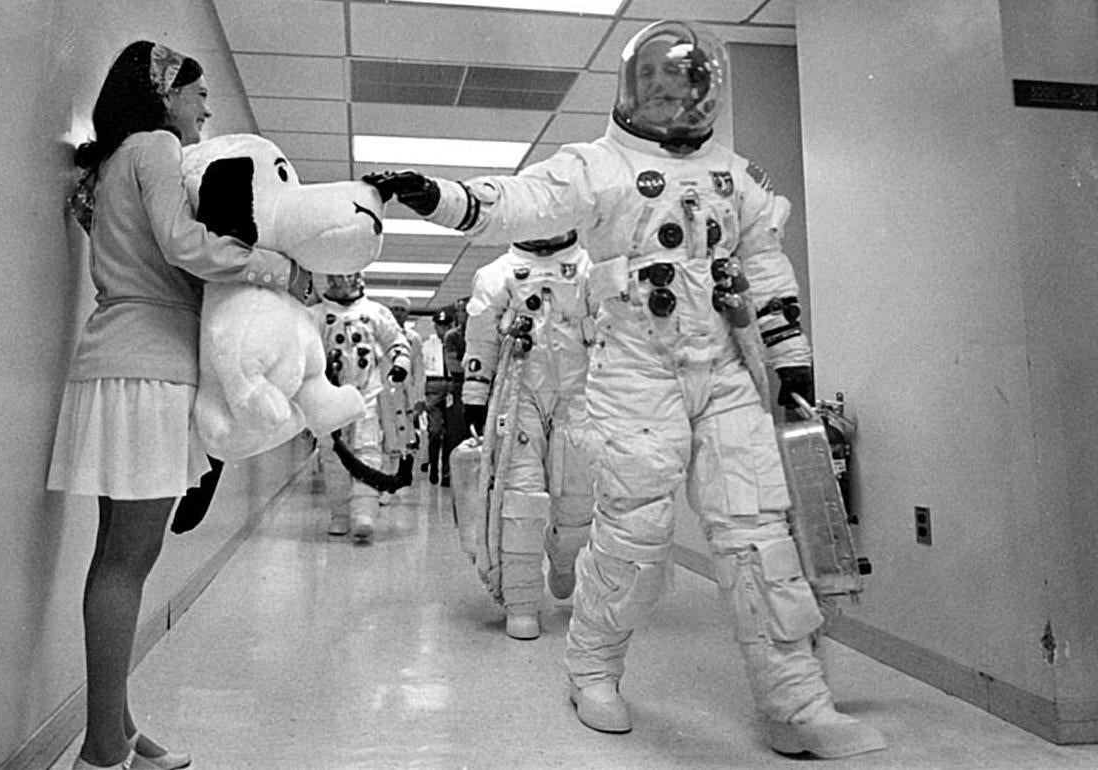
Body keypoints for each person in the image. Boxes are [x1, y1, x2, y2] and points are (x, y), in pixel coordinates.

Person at [362, 19, 886, 759]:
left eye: (688, 89)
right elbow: (517, 201)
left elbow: (765, 267)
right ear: (635, 90)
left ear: (707, 94)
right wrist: (437, 196)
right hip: (635, 374)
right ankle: (592, 670)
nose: (675, 103)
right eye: (661, 89)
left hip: (723, 374)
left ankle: (796, 704)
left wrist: (789, 354)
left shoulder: (735, 176)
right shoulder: (598, 167)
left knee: (758, 533)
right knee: (634, 533)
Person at [48, 41, 308, 770]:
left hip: (115, 363)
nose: (205, 110)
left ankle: (118, 727)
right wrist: (272, 268)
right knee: (127, 564)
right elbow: (182, 243)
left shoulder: (109, 163)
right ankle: (102, 750)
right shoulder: (155, 146)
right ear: (165, 94)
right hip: (150, 372)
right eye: (198, 95)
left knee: (114, 560)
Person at [460, 231, 597, 640]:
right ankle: (521, 603)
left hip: (579, 395)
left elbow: (616, 330)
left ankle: (565, 556)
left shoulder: (590, 270)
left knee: (578, 495)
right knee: (519, 497)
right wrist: (475, 390)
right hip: (518, 392)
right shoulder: (496, 275)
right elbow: (480, 336)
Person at [311, 272, 411, 543]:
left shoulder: (376, 312)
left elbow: (397, 342)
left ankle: (364, 513)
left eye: (351, 274)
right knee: (332, 455)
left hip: (368, 392)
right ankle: (340, 515)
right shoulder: (316, 315)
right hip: (328, 394)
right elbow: (302, 350)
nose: (345, 280)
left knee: (368, 449)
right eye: (339, 275)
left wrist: (400, 363)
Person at [384, 296, 427, 502]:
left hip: (407, 395)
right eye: (394, 309)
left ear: (407, 313)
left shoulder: (414, 338)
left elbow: (419, 369)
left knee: (407, 435)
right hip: (386, 395)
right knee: (386, 435)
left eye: (401, 309)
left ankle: (401, 474)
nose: (397, 313)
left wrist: (419, 397)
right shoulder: (381, 335)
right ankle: (385, 481)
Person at [424, 307, 456, 484]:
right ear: (435, 326)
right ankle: (433, 466)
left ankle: (446, 473)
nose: (443, 329)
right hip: (433, 385)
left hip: (451, 385)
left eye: (446, 325)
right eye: (440, 325)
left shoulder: (457, 341)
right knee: (435, 431)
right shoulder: (427, 345)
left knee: (451, 432)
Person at [440, 297, 470, 487]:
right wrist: (476, 369)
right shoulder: (452, 337)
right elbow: (453, 366)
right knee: (454, 432)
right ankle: (448, 472)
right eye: (461, 311)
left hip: (482, 386)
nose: (464, 315)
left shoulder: (483, 335)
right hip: (459, 386)